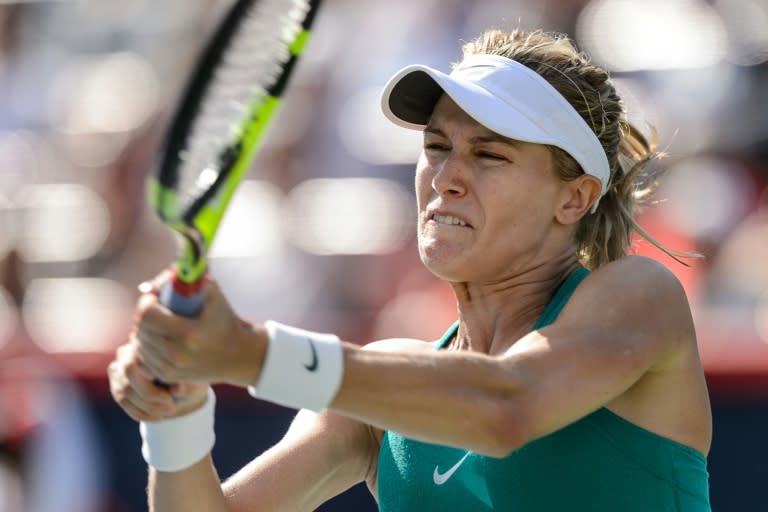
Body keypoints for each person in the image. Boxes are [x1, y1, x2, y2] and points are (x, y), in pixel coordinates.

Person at [108, 29, 712, 511]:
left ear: (574, 198)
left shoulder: (640, 296)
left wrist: (248, 354)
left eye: (489, 154)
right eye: (437, 146)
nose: (445, 176)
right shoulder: (376, 398)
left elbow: (505, 410)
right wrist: (176, 411)